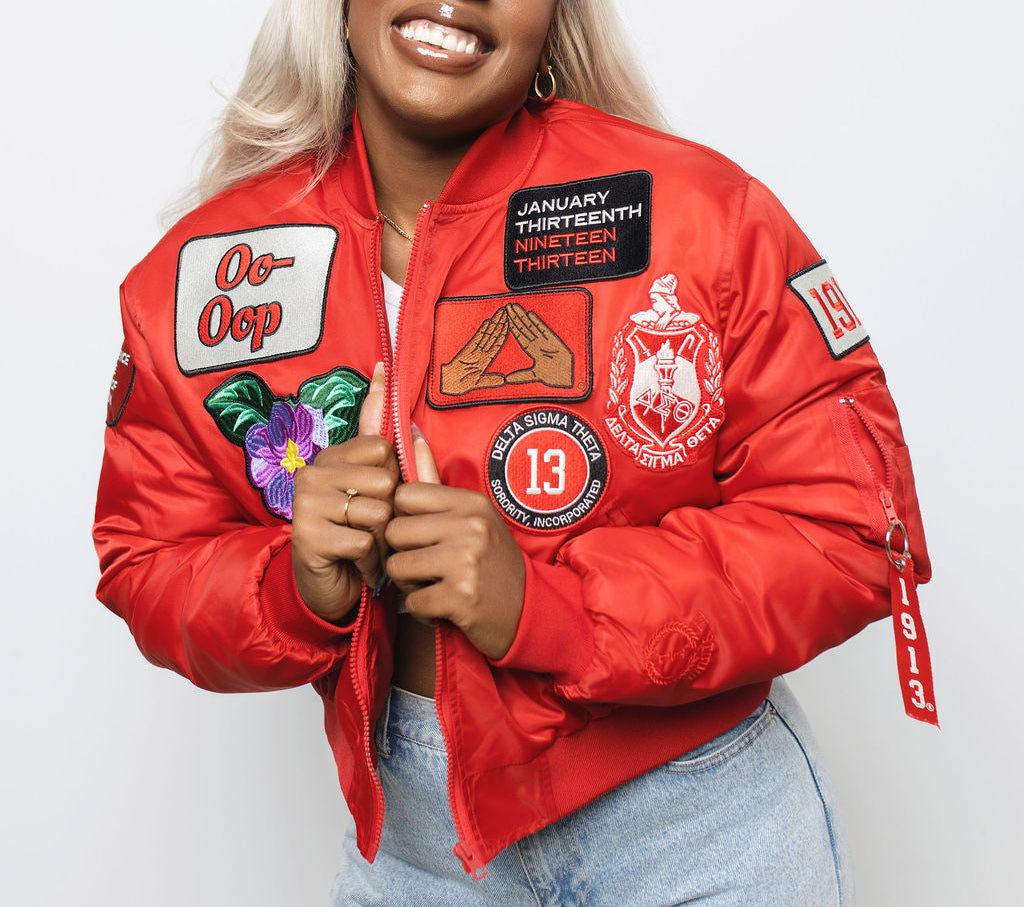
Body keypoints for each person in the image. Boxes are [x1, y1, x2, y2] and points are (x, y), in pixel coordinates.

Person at [94, 0, 934, 903]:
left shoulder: (701, 218)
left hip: (698, 827)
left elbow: (852, 530)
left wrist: (551, 606)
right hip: (418, 850)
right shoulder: (205, 275)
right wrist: (290, 587)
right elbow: (147, 557)